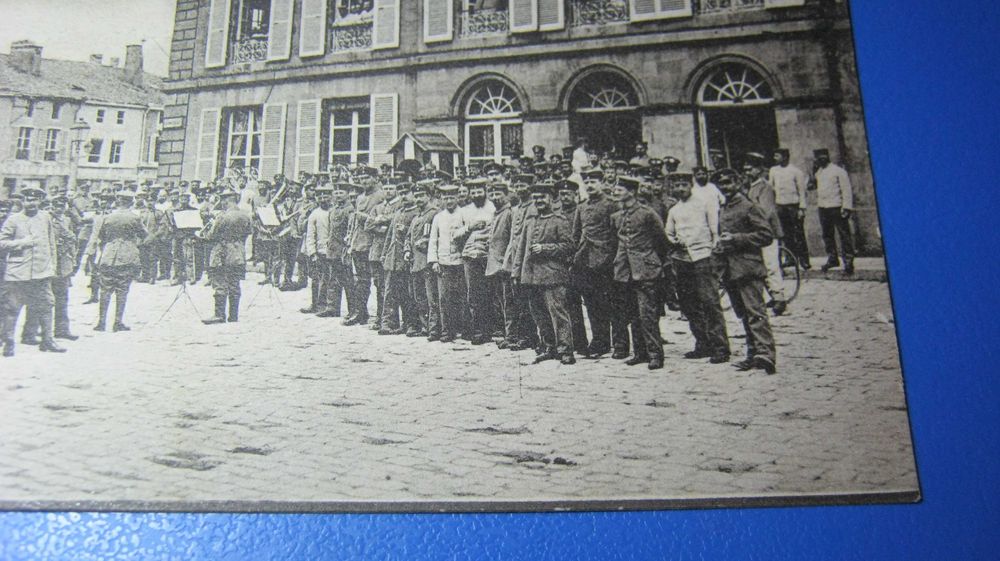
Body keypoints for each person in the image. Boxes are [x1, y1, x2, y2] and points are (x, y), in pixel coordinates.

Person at [714, 169, 777, 374]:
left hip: (748, 267)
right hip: (731, 270)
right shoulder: (723, 208)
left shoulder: (749, 207)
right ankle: (753, 354)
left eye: (728, 183)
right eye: (721, 184)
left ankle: (766, 355)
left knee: (756, 313)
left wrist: (737, 239)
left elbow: (766, 235)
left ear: (737, 182)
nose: (725, 187)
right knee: (743, 314)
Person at [665, 173, 730, 363]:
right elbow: (668, 232)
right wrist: (673, 240)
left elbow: (714, 230)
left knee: (709, 302)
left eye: (684, 185)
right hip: (682, 259)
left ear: (690, 185)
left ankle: (721, 347)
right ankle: (702, 343)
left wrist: (714, 250)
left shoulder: (704, 203)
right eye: (677, 186)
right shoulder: (674, 210)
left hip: (703, 256)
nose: (680, 189)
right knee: (688, 304)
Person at [512, 182, 576, 365]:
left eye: (543, 197)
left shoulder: (559, 220)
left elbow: (569, 246)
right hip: (531, 276)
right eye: (536, 198)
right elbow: (521, 249)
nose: (539, 201)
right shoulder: (529, 222)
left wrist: (545, 248)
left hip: (553, 276)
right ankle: (549, 347)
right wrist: (516, 273)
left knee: (558, 314)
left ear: (550, 199)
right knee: (539, 314)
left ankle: (565, 350)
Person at [610, 176, 670, 370]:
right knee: (633, 313)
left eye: (620, 189)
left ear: (631, 192)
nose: (615, 192)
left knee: (647, 314)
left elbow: (661, 241)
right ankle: (640, 353)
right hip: (625, 272)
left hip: (646, 271)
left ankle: (655, 355)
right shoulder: (617, 216)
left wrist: (652, 263)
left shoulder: (647, 214)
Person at [0, 187, 66, 355]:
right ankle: (8, 343)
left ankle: (48, 340)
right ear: (23, 201)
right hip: (18, 273)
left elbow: (51, 244)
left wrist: (52, 267)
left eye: (35, 200)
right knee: (11, 308)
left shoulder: (45, 218)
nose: (31, 203)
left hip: (41, 273)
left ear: (40, 201)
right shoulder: (13, 220)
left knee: (46, 305)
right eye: (28, 200)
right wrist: (22, 242)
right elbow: (2, 242)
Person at [572, 168, 624, 358]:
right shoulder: (582, 206)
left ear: (602, 183)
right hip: (586, 262)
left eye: (594, 181)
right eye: (586, 182)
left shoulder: (612, 205)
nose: (590, 185)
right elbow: (576, 234)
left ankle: (619, 344)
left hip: (607, 262)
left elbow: (618, 234)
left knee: (612, 304)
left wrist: (613, 257)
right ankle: (600, 342)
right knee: (593, 304)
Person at [91, 189, 147, 333]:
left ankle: (101, 322)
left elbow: (102, 236)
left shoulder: (107, 217)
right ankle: (117, 322)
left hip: (108, 255)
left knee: (105, 289)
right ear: (131, 202)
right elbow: (143, 234)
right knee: (122, 290)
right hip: (127, 256)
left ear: (118, 201)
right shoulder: (134, 218)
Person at [200, 188, 253, 324]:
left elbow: (211, 235)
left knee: (220, 284)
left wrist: (203, 235)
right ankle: (233, 316)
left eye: (223, 199)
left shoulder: (222, 216)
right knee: (235, 284)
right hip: (238, 253)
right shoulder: (245, 215)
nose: (221, 203)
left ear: (227, 200)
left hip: (222, 253)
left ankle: (219, 315)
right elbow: (248, 232)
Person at [743, 152, 787, 315]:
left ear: (759, 170)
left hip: (767, 232)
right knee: (760, 265)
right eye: (746, 169)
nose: (747, 172)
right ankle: (772, 297)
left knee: (770, 265)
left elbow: (766, 212)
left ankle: (780, 298)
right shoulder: (750, 187)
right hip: (756, 233)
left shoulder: (765, 187)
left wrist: (749, 221)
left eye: (751, 169)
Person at [454, 178, 495, 345]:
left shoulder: (493, 207)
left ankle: (494, 329)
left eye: (480, 191)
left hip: (490, 255)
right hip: (471, 256)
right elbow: (455, 235)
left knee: (492, 293)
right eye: (474, 192)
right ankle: (478, 330)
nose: (477, 194)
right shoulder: (464, 211)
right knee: (474, 295)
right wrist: (469, 228)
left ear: (485, 191)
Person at [427, 184, 468, 343]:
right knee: (444, 299)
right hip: (443, 263)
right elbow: (433, 240)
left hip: (460, 262)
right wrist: (434, 261)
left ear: (457, 198)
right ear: (441, 199)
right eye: (445, 198)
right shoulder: (438, 217)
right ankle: (446, 331)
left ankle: (465, 329)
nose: (449, 201)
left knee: (463, 297)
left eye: (452, 197)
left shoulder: (464, 214)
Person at [379, 182, 421, 335]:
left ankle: (411, 324)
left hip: (407, 259)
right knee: (390, 292)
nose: (404, 196)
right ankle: (388, 323)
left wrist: (405, 231)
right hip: (393, 259)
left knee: (409, 294)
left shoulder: (417, 213)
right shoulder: (398, 213)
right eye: (401, 193)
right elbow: (390, 236)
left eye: (406, 193)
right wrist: (384, 254)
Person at [555, 179, 590, 357]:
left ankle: (584, 343)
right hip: (561, 265)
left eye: (568, 194)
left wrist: (574, 258)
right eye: (562, 194)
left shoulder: (581, 211)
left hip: (580, 263)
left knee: (584, 304)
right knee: (568, 304)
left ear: (576, 195)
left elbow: (582, 237)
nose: (565, 197)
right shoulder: (556, 213)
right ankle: (574, 341)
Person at [405, 180, 440, 340]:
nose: (418, 199)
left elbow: (434, 237)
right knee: (418, 297)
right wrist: (406, 250)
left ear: (429, 196)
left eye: (421, 196)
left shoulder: (434, 214)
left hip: (427, 262)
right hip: (415, 263)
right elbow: (408, 236)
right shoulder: (416, 217)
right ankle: (424, 326)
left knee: (431, 297)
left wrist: (424, 242)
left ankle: (433, 329)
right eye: (416, 196)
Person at [812, 148, 855, 274]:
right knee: (827, 235)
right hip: (823, 207)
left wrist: (846, 207)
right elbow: (812, 186)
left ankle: (848, 262)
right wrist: (812, 172)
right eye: (817, 157)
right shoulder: (819, 172)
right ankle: (832, 258)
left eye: (821, 156)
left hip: (837, 207)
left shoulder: (838, 171)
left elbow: (846, 190)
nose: (819, 159)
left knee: (844, 235)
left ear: (826, 156)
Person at [769, 148, 811, 270]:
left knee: (798, 233)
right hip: (780, 206)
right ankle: (790, 259)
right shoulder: (773, 170)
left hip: (793, 206)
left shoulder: (796, 171)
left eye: (777, 156)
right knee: (785, 234)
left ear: (785, 157)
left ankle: (804, 260)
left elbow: (802, 192)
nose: (775, 158)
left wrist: (802, 208)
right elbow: (771, 188)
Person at [484, 182, 514, 347]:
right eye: (492, 195)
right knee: (501, 302)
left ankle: (511, 336)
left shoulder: (509, 213)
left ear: (506, 195)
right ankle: (506, 333)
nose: (495, 198)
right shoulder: (496, 214)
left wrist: (506, 264)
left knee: (509, 303)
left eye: (498, 194)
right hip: (494, 265)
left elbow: (512, 240)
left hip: (505, 266)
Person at [319, 182, 354, 318]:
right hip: (333, 250)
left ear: (347, 194)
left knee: (348, 282)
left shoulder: (349, 209)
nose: (338, 195)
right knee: (333, 279)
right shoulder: (333, 210)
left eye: (341, 193)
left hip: (343, 251)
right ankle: (332, 307)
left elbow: (350, 230)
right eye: (336, 193)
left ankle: (353, 310)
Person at [49, 195, 79, 341]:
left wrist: (73, 259)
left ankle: (61, 330)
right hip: (49, 265)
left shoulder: (67, 220)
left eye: (61, 206)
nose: (58, 209)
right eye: (55, 206)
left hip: (64, 265)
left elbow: (72, 240)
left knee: (62, 299)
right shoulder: (46, 220)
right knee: (44, 299)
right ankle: (37, 331)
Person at [300, 184, 333, 314]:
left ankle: (327, 305)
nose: (323, 199)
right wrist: (312, 252)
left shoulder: (334, 211)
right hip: (318, 252)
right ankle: (315, 304)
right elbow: (310, 235)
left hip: (332, 251)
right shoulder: (314, 214)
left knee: (329, 280)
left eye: (326, 196)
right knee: (316, 279)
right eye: (320, 196)